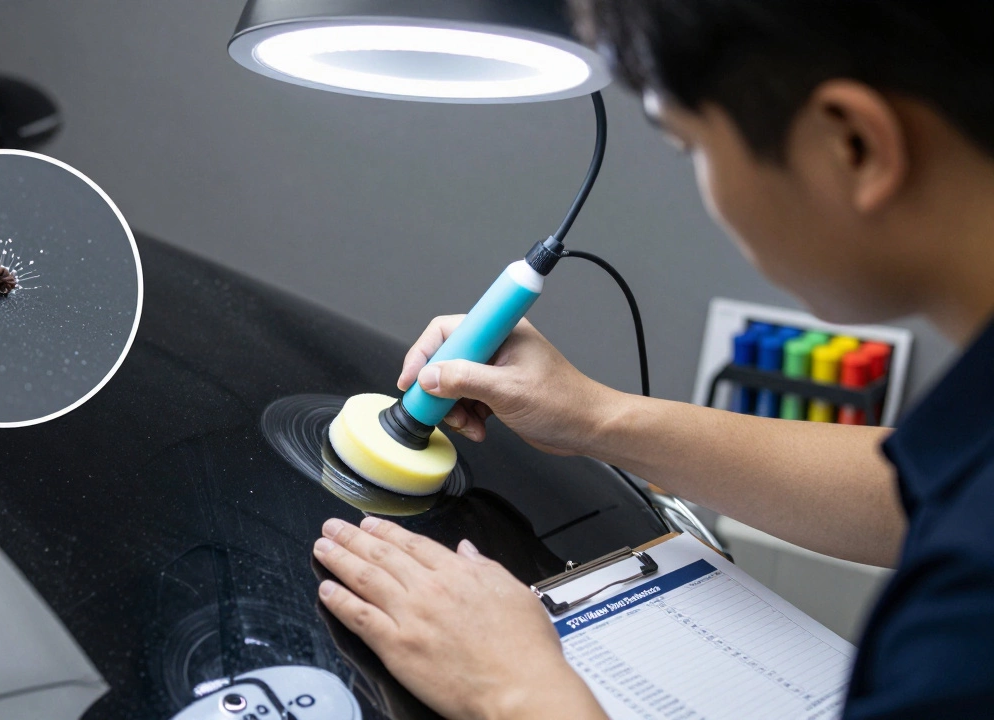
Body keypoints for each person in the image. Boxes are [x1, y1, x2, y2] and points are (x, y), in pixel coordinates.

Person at [309, 2, 994, 719]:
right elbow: (904, 496)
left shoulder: (968, 618)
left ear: (850, 143)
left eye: (689, 146)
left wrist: (518, 693)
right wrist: (598, 419)